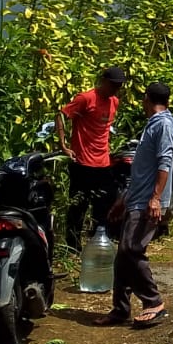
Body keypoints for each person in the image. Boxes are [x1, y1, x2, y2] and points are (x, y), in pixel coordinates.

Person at [96, 81, 173, 329]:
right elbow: (142, 170)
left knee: (132, 250)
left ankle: (153, 302)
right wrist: (124, 200)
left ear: (146, 98)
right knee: (123, 256)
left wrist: (155, 198)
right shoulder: (154, 124)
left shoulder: (163, 124)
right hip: (137, 199)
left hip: (147, 203)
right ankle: (120, 309)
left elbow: (165, 163)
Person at [58, 65, 125, 252]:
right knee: (79, 206)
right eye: (113, 85)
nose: (115, 89)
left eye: (118, 86)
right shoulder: (86, 98)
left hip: (102, 163)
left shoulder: (114, 102)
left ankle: (97, 243)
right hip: (82, 163)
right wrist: (64, 145)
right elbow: (62, 115)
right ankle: (72, 246)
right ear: (103, 81)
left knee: (104, 204)